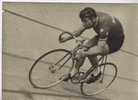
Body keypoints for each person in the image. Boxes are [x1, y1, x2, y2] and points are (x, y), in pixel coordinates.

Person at [59, 7, 125, 83]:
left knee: (90, 52)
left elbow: (100, 49)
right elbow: (78, 31)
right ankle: (75, 71)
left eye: (85, 21)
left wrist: (84, 53)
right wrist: (67, 38)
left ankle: (97, 72)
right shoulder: (92, 17)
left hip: (114, 43)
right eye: (82, 21)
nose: (83, 24)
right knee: (83, 48)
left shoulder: (104, 26)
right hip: (105, 35)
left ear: (93, 19)